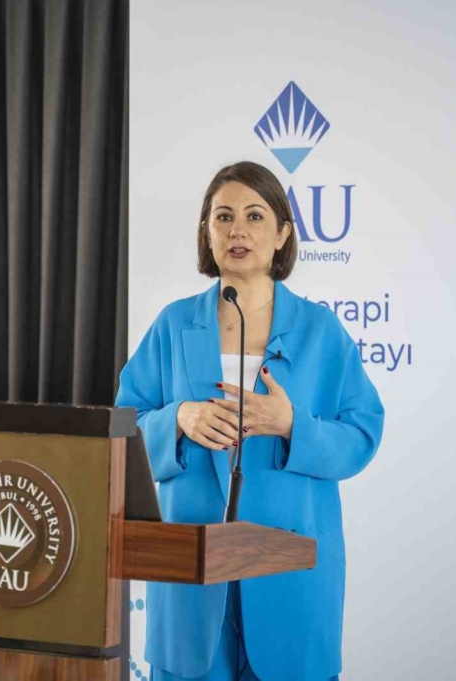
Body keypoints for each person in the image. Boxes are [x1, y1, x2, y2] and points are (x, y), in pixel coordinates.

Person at [115, 161, 385, 681]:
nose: (237, 230)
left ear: (282, 233)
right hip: (192, 568)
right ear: (207, 232)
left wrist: (293, 425)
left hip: (288, 567)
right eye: (224, 217)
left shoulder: (320, 330)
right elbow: (123, 430)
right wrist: (178, 418)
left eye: (255, 216)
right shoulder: (173, 324)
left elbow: (362, 432)